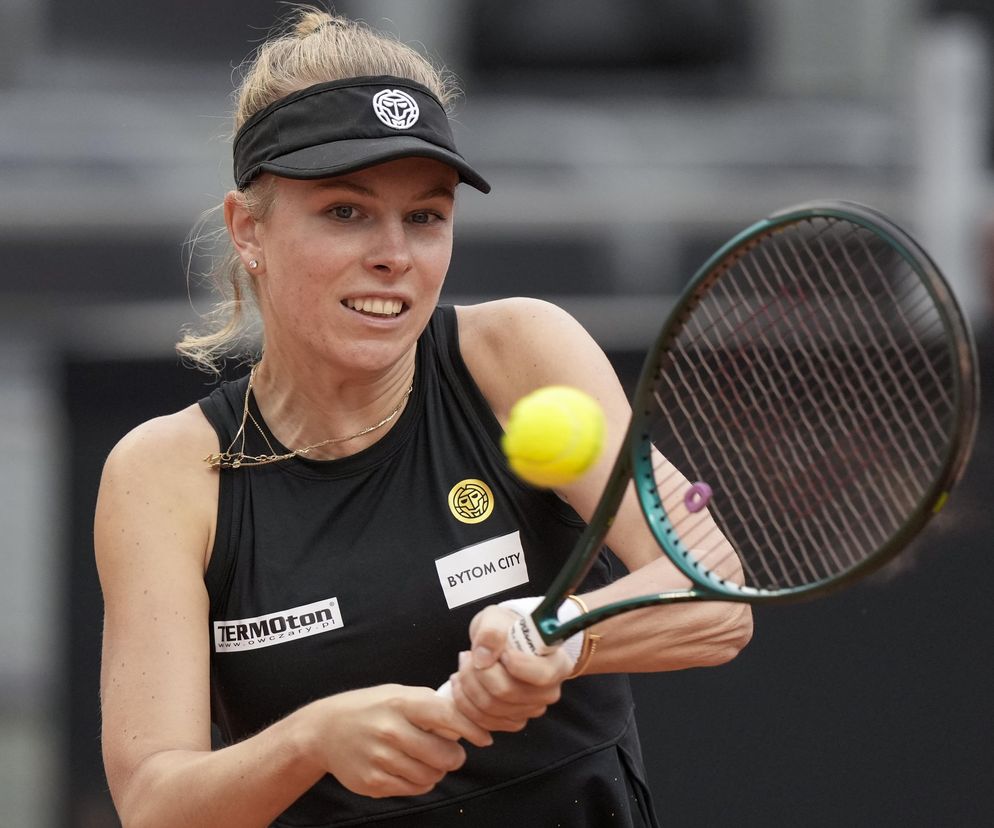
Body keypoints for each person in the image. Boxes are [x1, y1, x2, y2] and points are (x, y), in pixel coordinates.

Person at [95, 7, 752, 827]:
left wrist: (562, 634)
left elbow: (716, 599)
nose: (394, 255)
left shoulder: (520, 351)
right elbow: (155, 804)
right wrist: (311, 742)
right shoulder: (164, 474)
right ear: (248, 229)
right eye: (346, 211)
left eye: (426, 216)